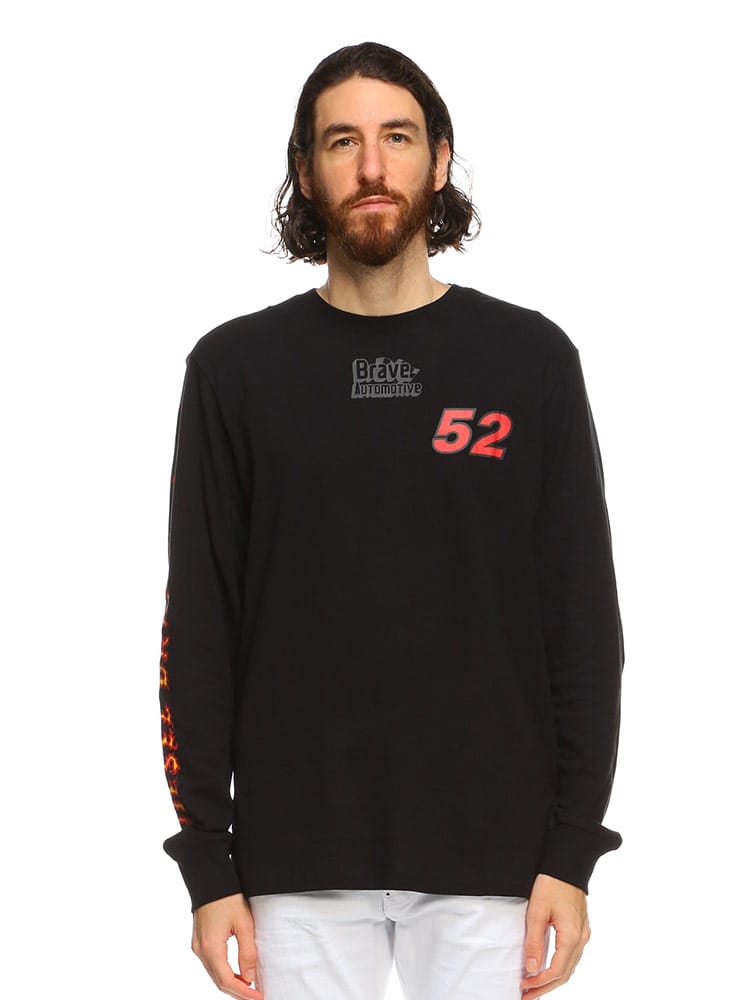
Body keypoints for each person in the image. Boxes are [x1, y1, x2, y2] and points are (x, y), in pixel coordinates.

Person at [158, 40, 625, 1000]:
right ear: (305, 171)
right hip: (292, 862)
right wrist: (207, 859)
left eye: (398, 138)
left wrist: (572, 851)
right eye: (343, 142)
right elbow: (199, 623)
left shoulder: (529, 361)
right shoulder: (235, 372)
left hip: (495, 863)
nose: (372, 166)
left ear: (439, 160)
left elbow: (582, 620)